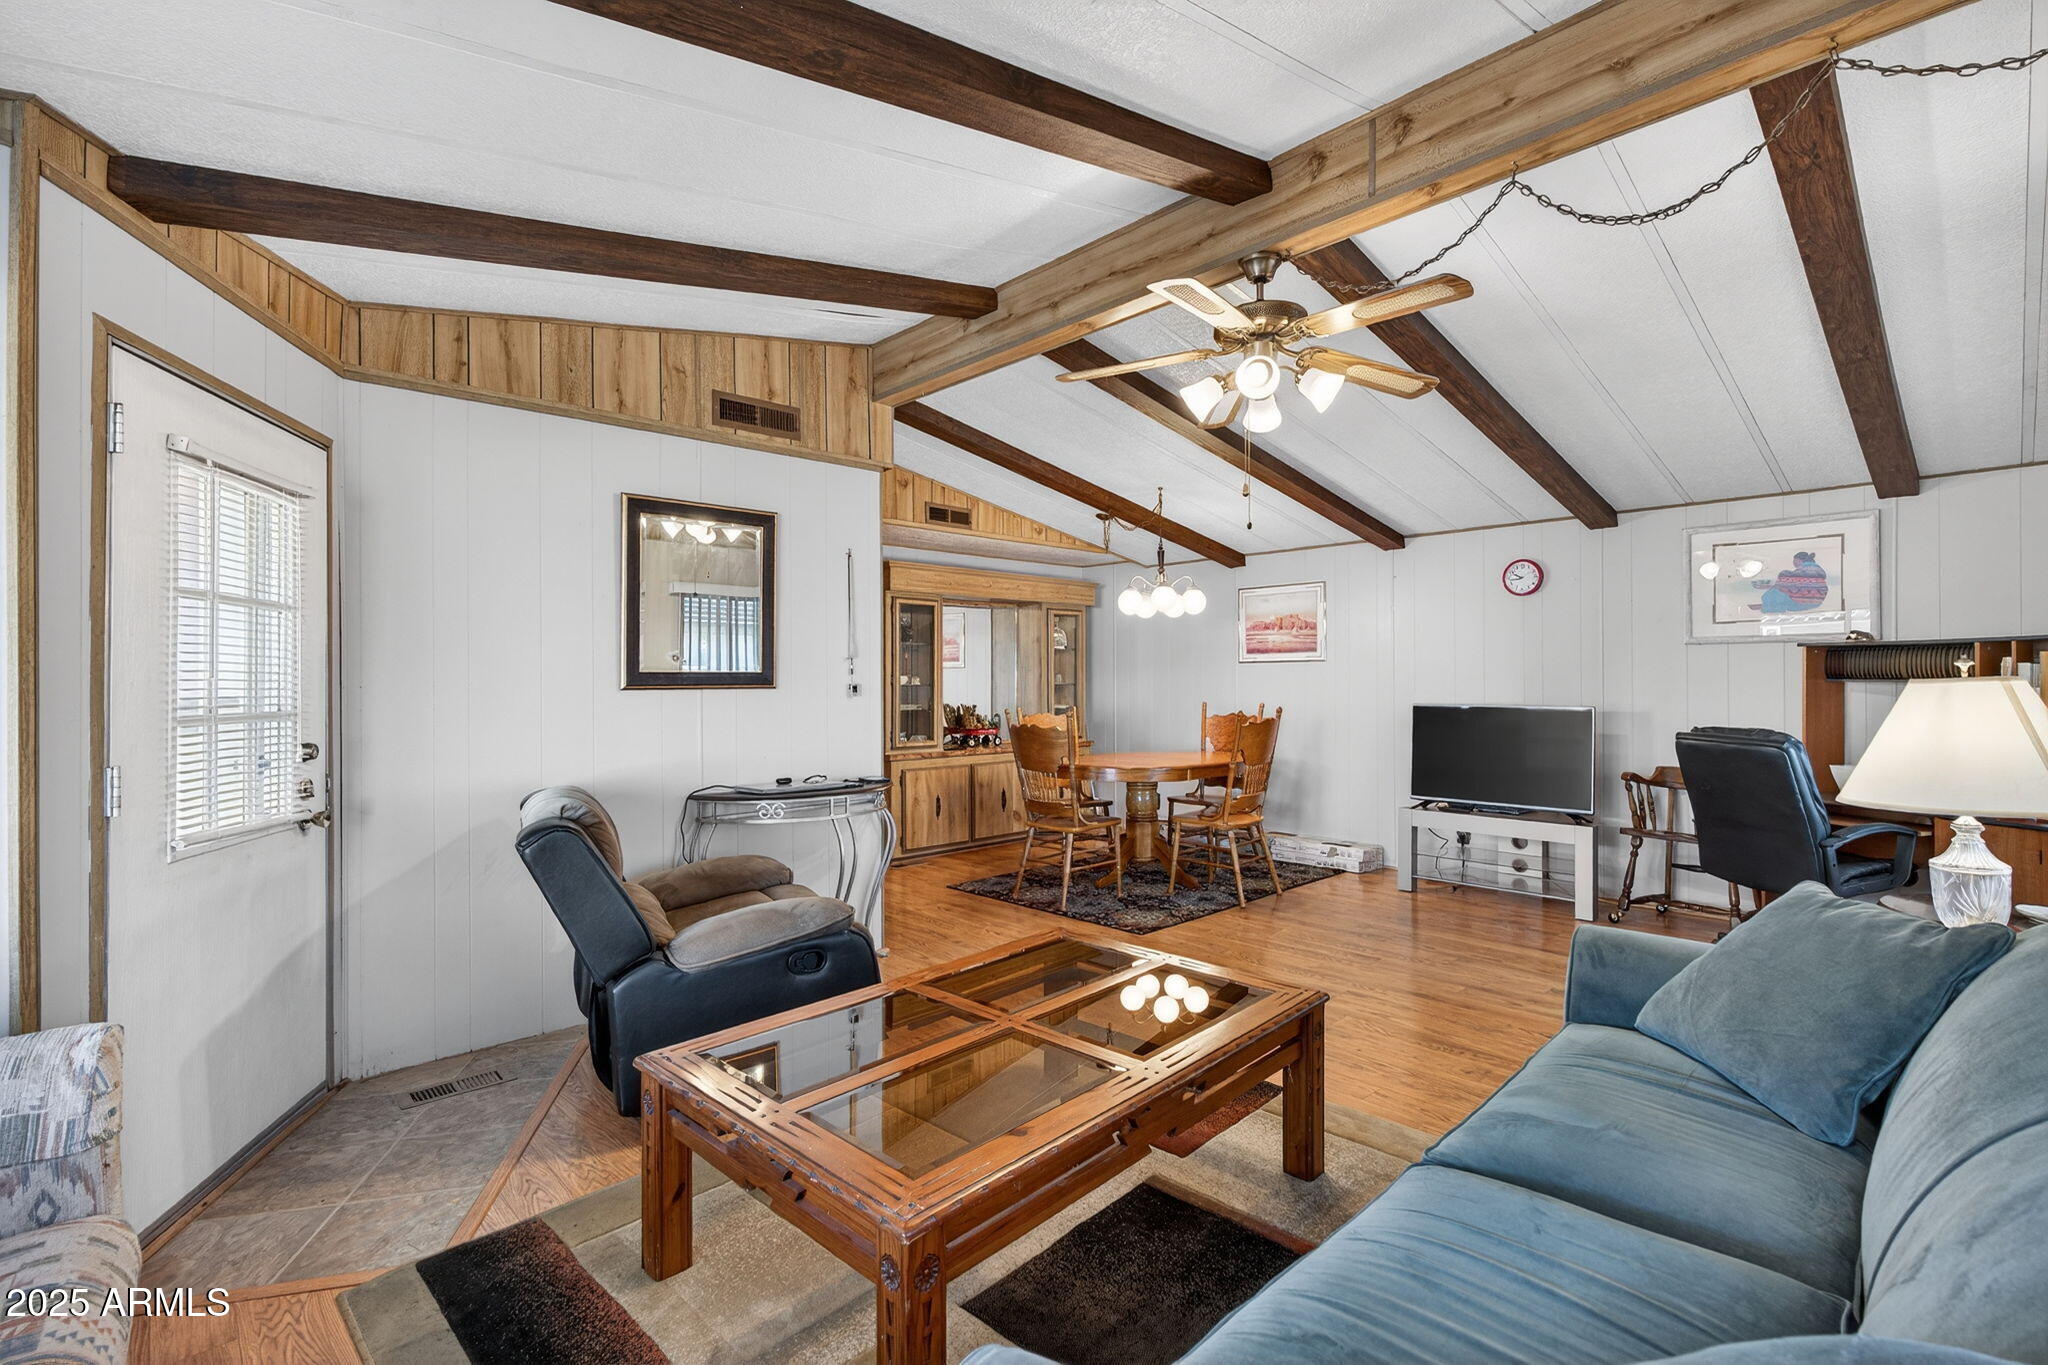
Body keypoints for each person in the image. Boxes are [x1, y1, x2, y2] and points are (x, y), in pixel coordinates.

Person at [1747, 550, 1828, 613]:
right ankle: (1767, 606)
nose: (1794, 563)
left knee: (1775, 593)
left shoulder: (1805, 570)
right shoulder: (1816, 569)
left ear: (1799, 560)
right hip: (1817, 601)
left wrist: (1779, 580)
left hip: (1803, 602)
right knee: (1780, 591)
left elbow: (1790, 583)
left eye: (1795, 561)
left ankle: (1770, 608)